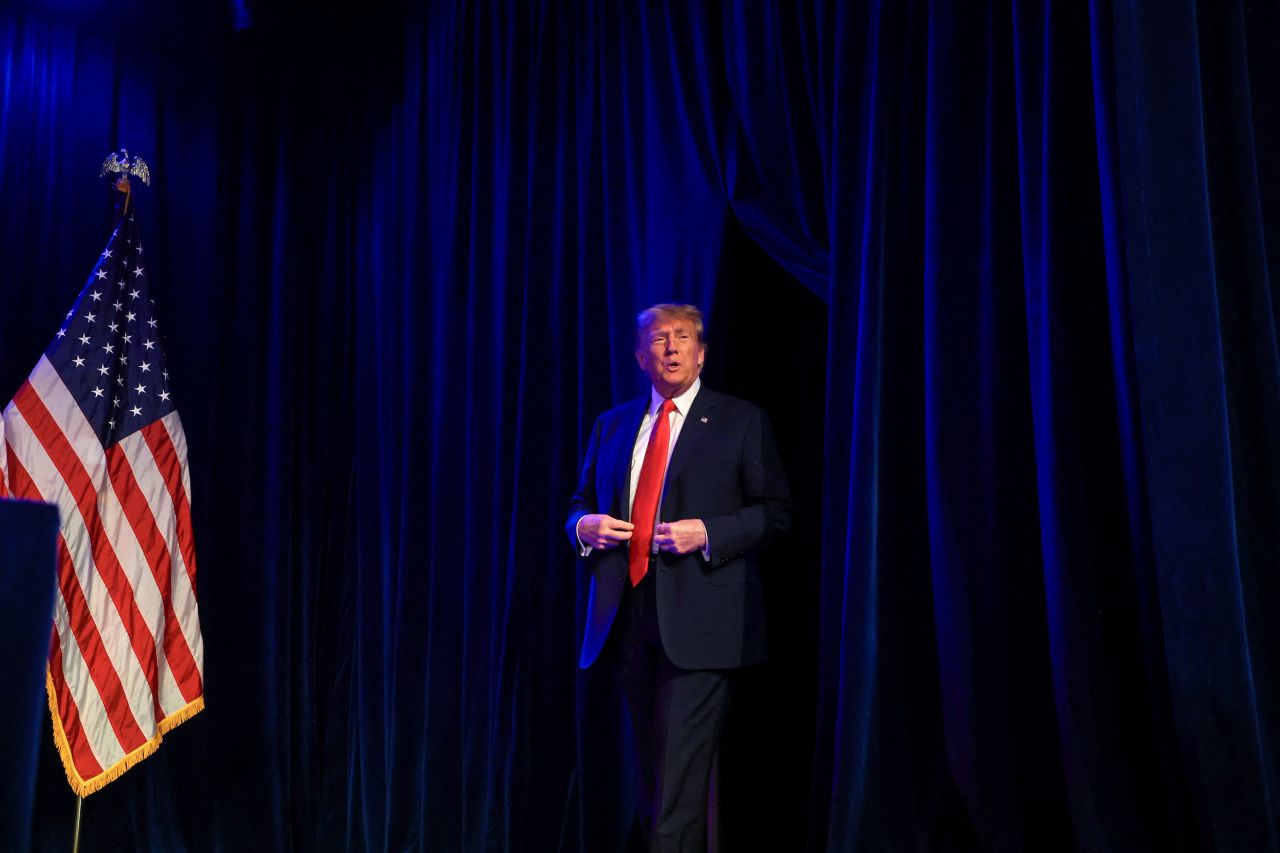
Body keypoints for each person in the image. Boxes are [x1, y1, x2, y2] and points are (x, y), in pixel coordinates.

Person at [567, 303, 792, 851]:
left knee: (674, 788)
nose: (671, 347)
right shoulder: (613, 424)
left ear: (702, 352)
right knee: (656, 781)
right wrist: (584, 525)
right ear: (641, 356)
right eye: (660, 338)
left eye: (683, 337)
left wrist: (707, 532)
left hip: (702, 623)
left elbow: (775, 513)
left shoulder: (739, 420)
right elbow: (579, 502)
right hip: (627, 616)